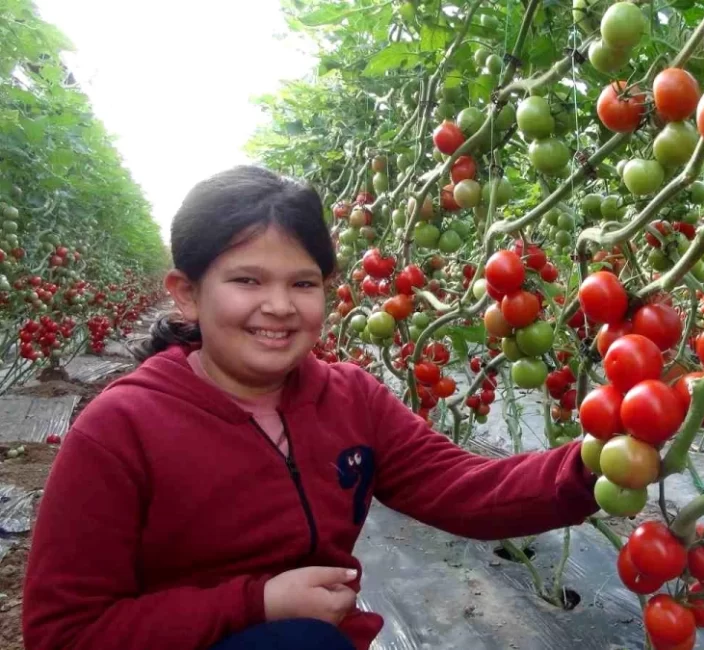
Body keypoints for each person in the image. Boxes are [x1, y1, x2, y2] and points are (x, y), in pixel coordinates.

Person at [22, 166, 600, 650]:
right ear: (186, 292)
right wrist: (257, 604)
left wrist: (598, 459)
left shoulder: (350, 397)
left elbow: (465, 489)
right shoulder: (121, 428)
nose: (278, 306)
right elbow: (63, 633)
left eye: (303, 284)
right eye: (247, 280)